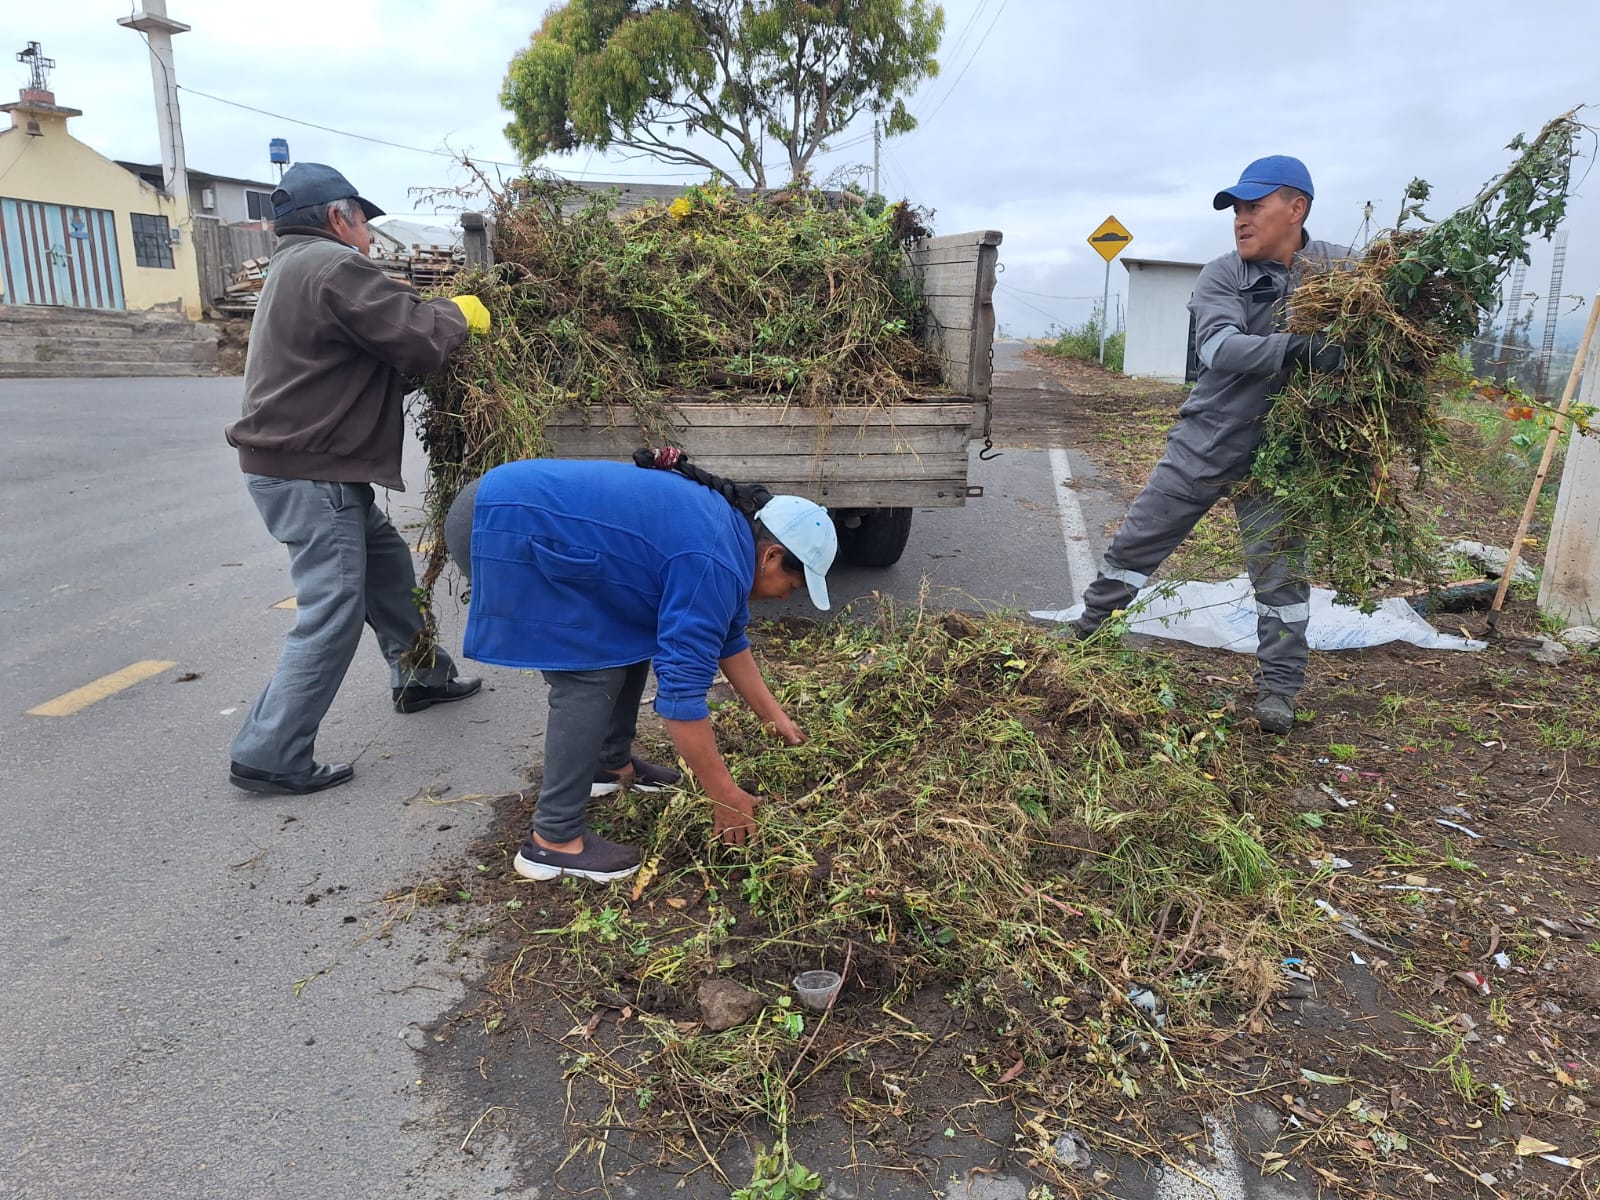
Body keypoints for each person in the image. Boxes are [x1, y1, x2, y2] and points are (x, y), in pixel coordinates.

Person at [445, 449, 836, 883]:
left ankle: (608, 765)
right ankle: (553, 841)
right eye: (792, 584)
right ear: (771, 557)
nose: (786, 597)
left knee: (627, 636)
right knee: (589, 673)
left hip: (522, 510)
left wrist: (774, 715)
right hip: (503, 522)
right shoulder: (714, 560)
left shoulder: (731, 538)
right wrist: (725, 796)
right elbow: (681, 701)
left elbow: (730, 640)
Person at [224, 163, 487, 796]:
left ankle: (421, 676)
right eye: (364, 219)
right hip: (311, 474)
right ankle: (270, 751)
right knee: (333, 610)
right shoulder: (335, 267)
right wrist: (461, 311)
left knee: (388, 571)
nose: (369, 232)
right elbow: (418, 338)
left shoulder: (293, 266)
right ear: (340, 217)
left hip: (304, 467)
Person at [1068, 155, 1351, 735]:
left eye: (1254, 207)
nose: (1240, 220)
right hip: (1209, 439)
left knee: (1282, 579)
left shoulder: (1340, 270)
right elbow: (1221, 348)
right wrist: (1300, 348)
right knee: (1138, 540)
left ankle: (1279, 689)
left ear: (1295, 209)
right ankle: (1087, 630)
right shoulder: (1222, 275)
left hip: (1284, 455)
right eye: (1236, 210)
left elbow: (1386, 321)